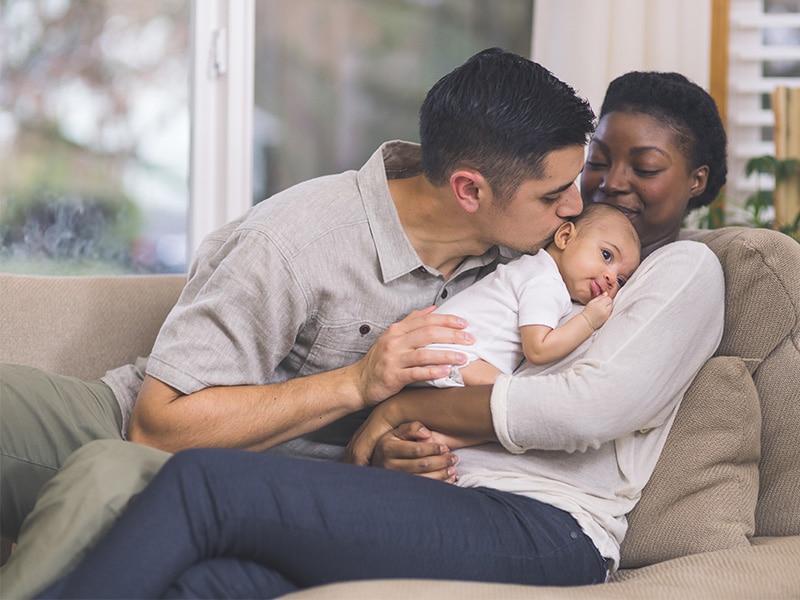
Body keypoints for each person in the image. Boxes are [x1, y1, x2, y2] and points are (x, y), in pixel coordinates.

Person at [26, 69, 728, 599]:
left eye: (645, 167)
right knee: (205, 582)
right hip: (431, 496)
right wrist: (393, 438)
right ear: (471, 191)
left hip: (541, 519)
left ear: (696, 181)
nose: (597, 190)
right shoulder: (532, 255)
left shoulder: (681, 270)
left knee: (199, 485)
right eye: (595, 163)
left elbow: (581, 406)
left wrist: (395, 408)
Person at [422, 202, 640, 388]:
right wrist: (588, 321)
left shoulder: (532, 268)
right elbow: (538, 349)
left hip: (436, 354)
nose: (611, 278)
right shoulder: (545, 281)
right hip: (452, 358)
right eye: (606, 255)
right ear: (565, 237)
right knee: (514, 397)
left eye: (621, 280)